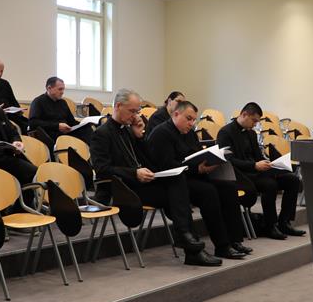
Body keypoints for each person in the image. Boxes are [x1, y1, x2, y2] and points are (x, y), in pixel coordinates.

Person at [90, 88, 220, 266]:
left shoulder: (128, 131)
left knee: (177, 179)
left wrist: (139, 137)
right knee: (178, 196)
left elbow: (148, 159)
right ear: (118, 106)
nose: (135, 116)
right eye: (132, 111)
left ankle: (189, 243)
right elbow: (102, 169)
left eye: (137, 111)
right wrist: (134, 173)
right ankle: (189, 243)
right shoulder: (101, 134)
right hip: (123, 188)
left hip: (141, 184)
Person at [148, 100, 251, 259]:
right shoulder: (161, 133)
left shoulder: (189, 133)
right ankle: (222, 246)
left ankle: (234, 240)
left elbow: (196, 154)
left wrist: (210, 160)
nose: (192, 123)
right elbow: (167, 167)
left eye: (194, 120)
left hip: (193, 175)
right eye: (188, 118)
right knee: (208, 192)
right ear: (176, 114)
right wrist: (197, 169)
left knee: (228, 188)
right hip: (173, 182)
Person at [217, 102, 305, 239]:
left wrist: (269, 163)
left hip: (256, 172)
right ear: (244, 114)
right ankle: (270, 225)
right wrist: (254, 166)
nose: (255, 124)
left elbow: (258, 157)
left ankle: (285, 222)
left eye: (257, 122)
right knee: (270, 184)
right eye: (254, 120)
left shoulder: (251, 133)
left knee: (292, 180)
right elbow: (229, 161)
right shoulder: (225, 132)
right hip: (241, 175)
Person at [28, 76, 91, 143]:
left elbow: (72, 122)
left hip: (66, 132)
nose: (62, 92)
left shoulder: (63, 102)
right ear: (49, 88)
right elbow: (33, 123)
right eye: (60, 89)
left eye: (63, 89)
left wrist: (84, 124)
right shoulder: (38, 101)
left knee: (87, 129)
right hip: (50, 134)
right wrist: (57, 126)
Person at [0, 58, 30, 131]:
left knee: (28, 125)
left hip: (11, 115)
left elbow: (13, 101)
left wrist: (18, 109)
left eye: (1, 71)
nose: (0, 74)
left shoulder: (5, 83)